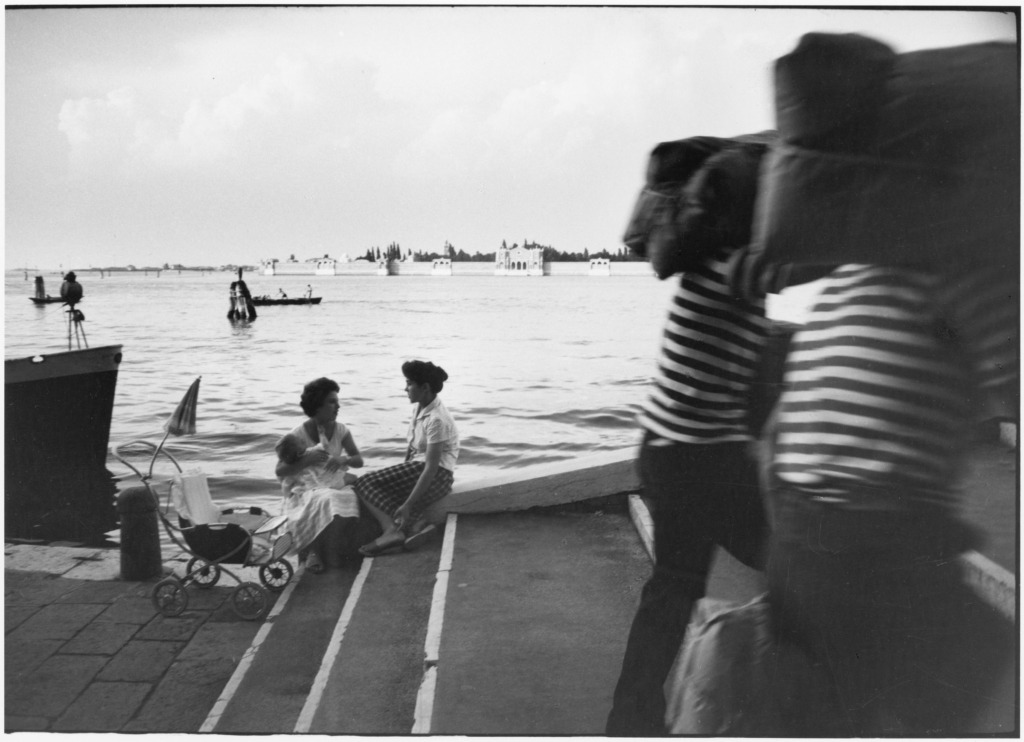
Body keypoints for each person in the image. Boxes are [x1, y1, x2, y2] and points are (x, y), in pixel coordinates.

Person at [353, 360, 459, 556]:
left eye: (409, 383)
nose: (405, 389)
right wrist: (399, 475)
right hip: (419, 469)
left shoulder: (436, 419)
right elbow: (412, 450)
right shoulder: (419, 409)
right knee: (378, 489)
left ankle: (392, 531)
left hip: (438, 476)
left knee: (363, 483)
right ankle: (416, 524)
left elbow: (431, 467)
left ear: (425, 388)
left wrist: (408, 504)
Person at [276, 377, 366, 573]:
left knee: (351, 494)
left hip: (331, 481)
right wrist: (308, 460)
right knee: (327, 499)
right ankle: (315, 550)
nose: (338, 406)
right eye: (332, 402)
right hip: (306, 488)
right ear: (317, 406)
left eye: (337, 401)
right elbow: (280, 470)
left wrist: (343, 459)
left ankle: (332, 547)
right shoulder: (298, 434)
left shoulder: (341, 430)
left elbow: (358, 460)